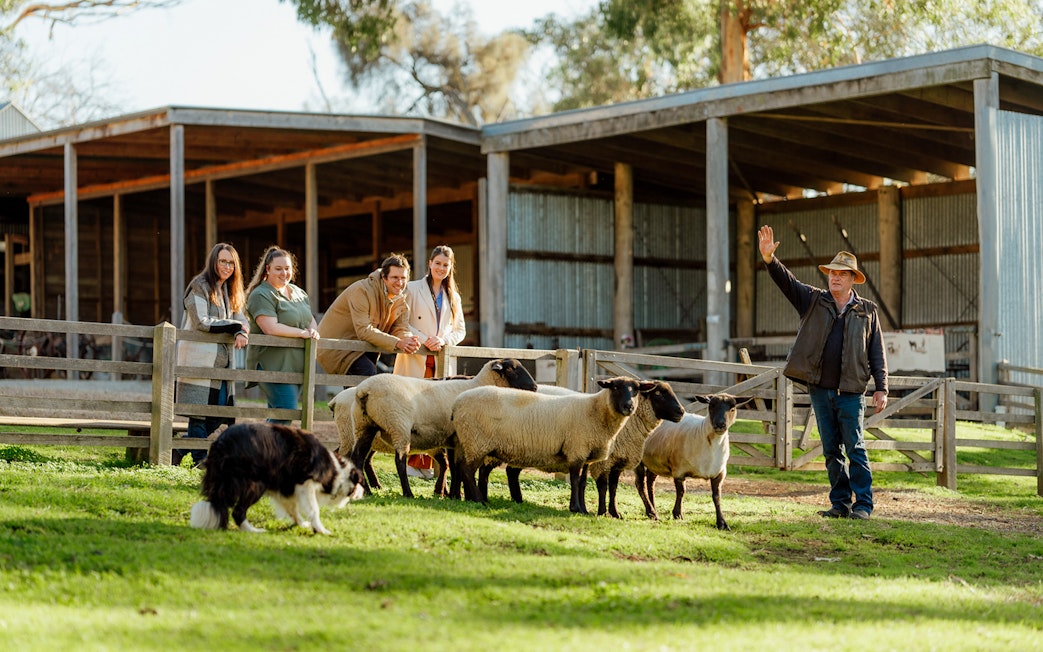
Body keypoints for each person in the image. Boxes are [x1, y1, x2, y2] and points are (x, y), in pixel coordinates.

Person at [758, 225, 888, 520]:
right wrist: (770, 260)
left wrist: (882, 386)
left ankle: (864, 505)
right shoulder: (813, 300)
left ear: (853, 279)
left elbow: (877, 352)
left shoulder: (867, 311)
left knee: (855, 448)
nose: (835, 277)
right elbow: (787, 283)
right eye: (832, 273)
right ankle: (840, 503)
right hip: (821, 390)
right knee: (831, 450)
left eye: (841, 274)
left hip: (851, 392)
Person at [392, 245, 467, 478]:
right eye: (438, 263)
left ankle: (427, 464)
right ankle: (410, 462)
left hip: (440, 359)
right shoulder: (412, 289)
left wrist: (443, 340)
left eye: (446, 265)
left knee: (437, 413)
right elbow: (402, 321)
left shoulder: (453, 296)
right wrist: (426, 340)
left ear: (450, 267)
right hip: (416, 355)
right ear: (430, 263)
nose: (441, 268)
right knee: (413, 408)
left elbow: (460, 330)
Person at [174, 243, 250, 466]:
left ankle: (180, 448)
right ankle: (200, 460)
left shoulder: (229, 289)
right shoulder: (199, 285)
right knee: (198, 412)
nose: (227, 266)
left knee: (221, 412)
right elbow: (202, 321)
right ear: (213, 262)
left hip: (222, 363)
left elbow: (242, 319)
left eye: (231, 263)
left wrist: (241, 328)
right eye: (222, 261)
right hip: (198, 359)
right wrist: (235, 326)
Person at [244, 246, 319, 425]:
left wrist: (313, 331)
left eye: (287, 268)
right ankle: (263, 449)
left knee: (281, 413)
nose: (284, 273)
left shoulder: (299, 293)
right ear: (267, 269)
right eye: (278, 268)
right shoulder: (261, 294)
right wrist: (303, 334)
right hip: (273, 364)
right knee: (286, 411)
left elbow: (310, 320)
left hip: (297, 364)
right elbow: (271, 327)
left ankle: (266, 451)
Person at [316, 253, 420, 378]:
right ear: (384, 277)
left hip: (365, 349)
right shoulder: (362, 291)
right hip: (338, 348)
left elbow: (400, 328)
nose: (400, 282)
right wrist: (398, 343)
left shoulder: (401, 301)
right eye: (395, 277)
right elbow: (364, 330)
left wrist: (408, 340)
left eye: (403, 278)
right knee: (368, 375)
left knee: (367, 386)